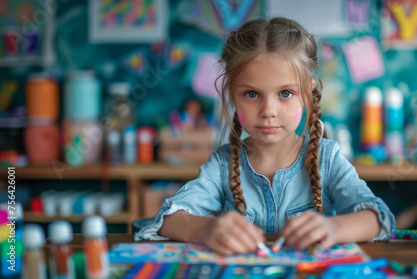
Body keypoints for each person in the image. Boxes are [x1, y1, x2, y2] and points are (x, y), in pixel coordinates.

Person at [135, 17, 395, 255]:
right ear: (232, 94)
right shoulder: (223, 164)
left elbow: (377, 217)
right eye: (251, 94)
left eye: (285, 93)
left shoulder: (327, 159)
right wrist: (207, 230)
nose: (268, 111)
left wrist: (334, 229)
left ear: (308, 93)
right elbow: (168, 219)